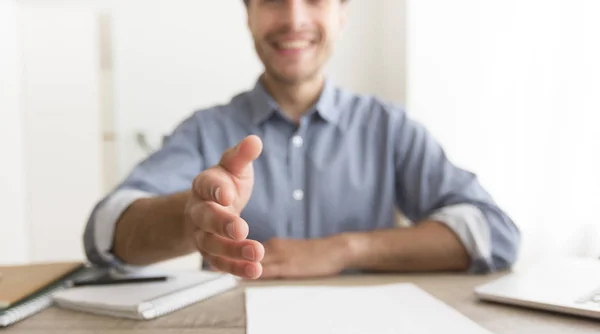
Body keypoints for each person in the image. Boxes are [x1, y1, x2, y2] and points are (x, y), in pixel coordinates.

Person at [84, 0, 520, 280]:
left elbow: (495, 233)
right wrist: (187, 219)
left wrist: (343, 249)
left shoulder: (390, 127)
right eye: (273, 0)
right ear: (249, 15)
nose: (294, 18)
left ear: (342, 16)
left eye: (315, 0)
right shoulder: (204, 129)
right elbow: (106, 232)